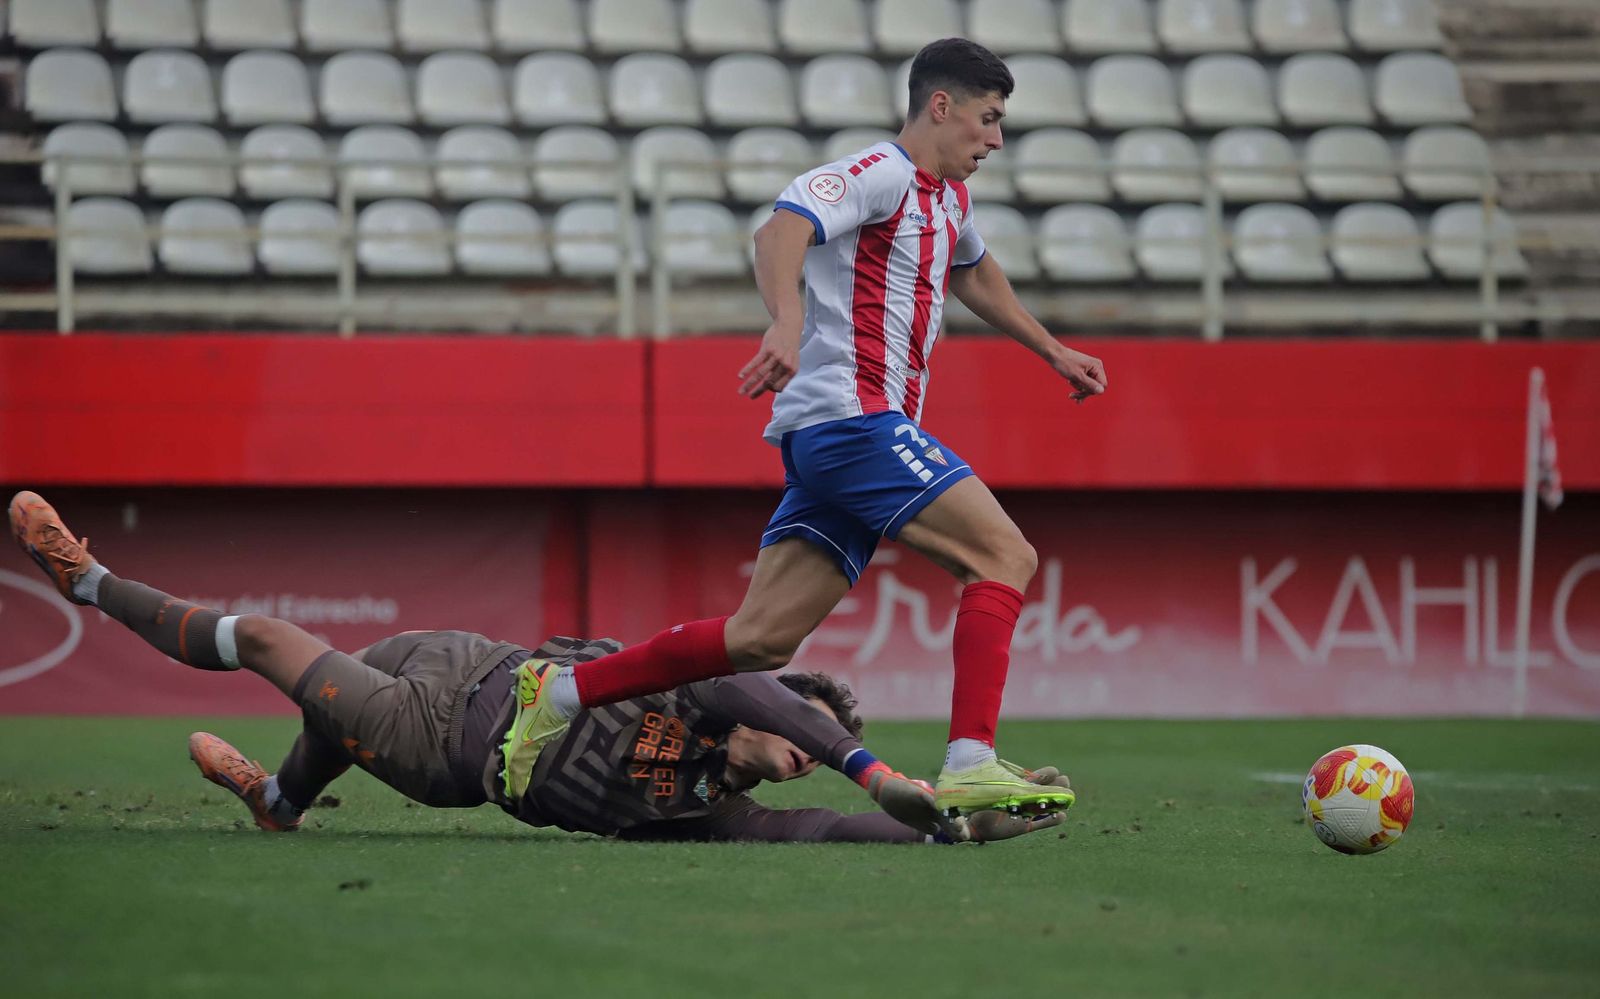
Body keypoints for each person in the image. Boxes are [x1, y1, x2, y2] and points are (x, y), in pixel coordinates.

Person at [483, 38, 1109, 817]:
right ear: (940, 107)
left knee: (758, 641)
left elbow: (973, 270)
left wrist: (1051, 349)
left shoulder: (948, 199)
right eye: (988, 119)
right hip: (853, 421)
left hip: (840, 438)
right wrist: (786, 321)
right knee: (1004, 553)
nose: (996, 140)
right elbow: (781, 228)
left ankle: (563, 690)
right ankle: (970, 760)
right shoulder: (879, 172)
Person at [9, 490, 1070, 844]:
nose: (792, 757)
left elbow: (835, 831)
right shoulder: (703, 687)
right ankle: (280, 801)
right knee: (325, 717)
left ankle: (92, 583)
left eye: (802, 752)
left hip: (446, 749)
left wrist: (955, 820)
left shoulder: (714, 811)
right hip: (468, 657)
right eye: (794, 733)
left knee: (275, 645)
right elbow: (744, 677)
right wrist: (862, 758)